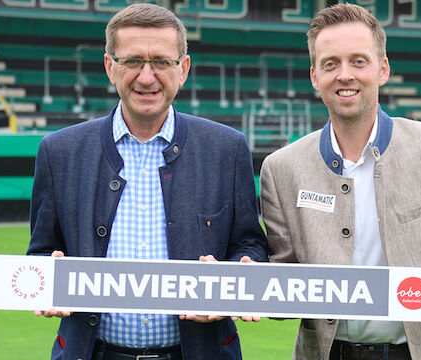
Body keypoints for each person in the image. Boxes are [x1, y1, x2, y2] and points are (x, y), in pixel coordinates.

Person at [259, 4, 421, 360]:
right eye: (331, 63)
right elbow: (284, 286)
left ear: (383, 69)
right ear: (314, 76)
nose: (345, 75)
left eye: (359, 61)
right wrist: (251, 284)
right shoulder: (281, 168)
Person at [27, 3, 267, 360]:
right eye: (133, 61)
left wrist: (238, 274)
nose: (146, 76)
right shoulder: (59, 152)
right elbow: (41, 252)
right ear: (110, 67)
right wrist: (46, 277)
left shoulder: (226, 148)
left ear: (183, 69)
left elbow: (250, 245)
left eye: (161, 62)